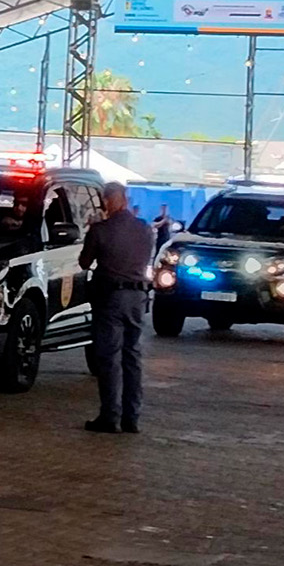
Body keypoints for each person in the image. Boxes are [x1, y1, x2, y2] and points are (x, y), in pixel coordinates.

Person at [79, 181, 156, 435]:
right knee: (132, 356)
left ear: (107, 200)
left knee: (109, 357)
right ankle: (131, 418)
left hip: (110, 297)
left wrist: (92, 228)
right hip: (138, 298)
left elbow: (84, 262)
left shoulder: (100, 230)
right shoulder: (145, 229)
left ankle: (110, 416)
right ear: (125, 198)